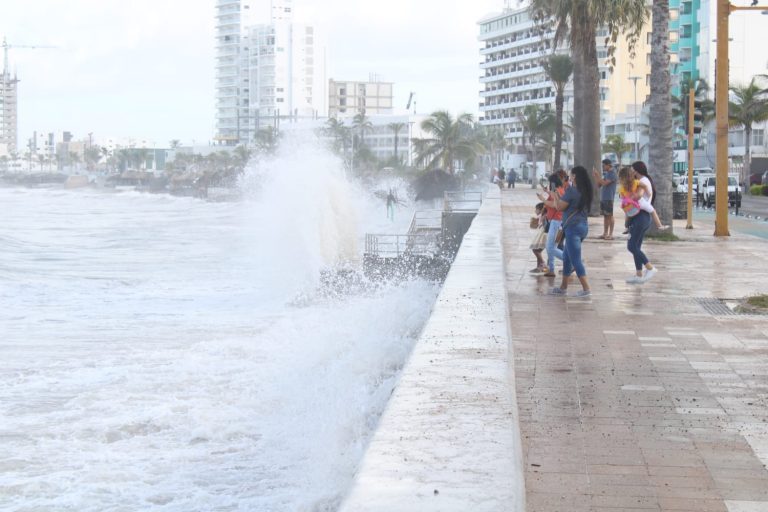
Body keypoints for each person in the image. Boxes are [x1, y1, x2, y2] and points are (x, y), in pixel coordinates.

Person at [542, 166, 593, 297]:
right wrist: (557, 195)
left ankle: (586, 289)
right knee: (566, 257)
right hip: (583, 227)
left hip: (573, 228)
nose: (569, 176)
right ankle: (563, 287)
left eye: (570, 174)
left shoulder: (572, 191)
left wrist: (554, 195)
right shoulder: (585, 191)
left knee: (575, 260)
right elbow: (567, 204)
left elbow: (559, 207)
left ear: (574, 176)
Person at [620, 162, 660, 284]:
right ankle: (638, 274)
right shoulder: (637, 182)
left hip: (641, 216)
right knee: (636, 247)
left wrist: (629, 198)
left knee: (631, 246)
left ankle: (650, 268)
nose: (632, 171)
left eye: (633, 169)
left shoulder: (642, 181)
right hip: (639, 217)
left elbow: (640, 194)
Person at [536, 174, 564, 277]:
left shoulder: (558, 192)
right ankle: (551, 269)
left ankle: (570, 261)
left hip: (556, 221)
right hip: (554, 221)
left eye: (550, 183)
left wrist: (542, 199)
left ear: (553, 183)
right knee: (552, 247)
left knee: (550, 247)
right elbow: (552, 199)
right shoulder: (557, 191)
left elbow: (554, 205)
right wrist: (547, 192)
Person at [631, 161, 669, 230]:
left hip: (641, 209)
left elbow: (639, 195)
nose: (630, 171)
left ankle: (627, 227)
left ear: (636, 171)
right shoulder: (643, 179)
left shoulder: (642, 181)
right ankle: (659, 225)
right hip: (642, 209)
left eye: (632, 170)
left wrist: (630, 198)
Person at [593, 158, 618, 240]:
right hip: (604, 197)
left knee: (610, 215)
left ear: (608, 165)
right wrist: (596, 177)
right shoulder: (607, 174)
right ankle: (605, 233)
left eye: (603, 165)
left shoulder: (612, 173)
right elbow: (599, 184)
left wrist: (597, 176)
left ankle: (610, 234)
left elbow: (604, 183)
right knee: (605, 216)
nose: (603, 167)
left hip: (609, 198)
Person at [529, 202, 548, 274]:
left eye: (536, 209)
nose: (535, 211)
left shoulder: (544, 216)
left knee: (535, 250)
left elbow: (543, 225)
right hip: (542, 235)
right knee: (537, 250)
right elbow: (536, 225)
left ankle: (543, 264)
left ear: (541, 209)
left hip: (544, 236)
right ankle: (539, 267)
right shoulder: (542, 216)